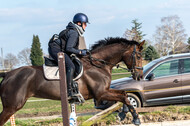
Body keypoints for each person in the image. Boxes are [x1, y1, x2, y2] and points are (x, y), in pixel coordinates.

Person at [48, 13, 89, 99]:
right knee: (71, 66)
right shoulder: (74, 33)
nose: (85, 26)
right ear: (79, 23)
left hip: (58, 48)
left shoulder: (73, 31)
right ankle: (69, 91)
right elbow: (69, 48)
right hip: (56, 50)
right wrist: (81, 52)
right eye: (85, 23)